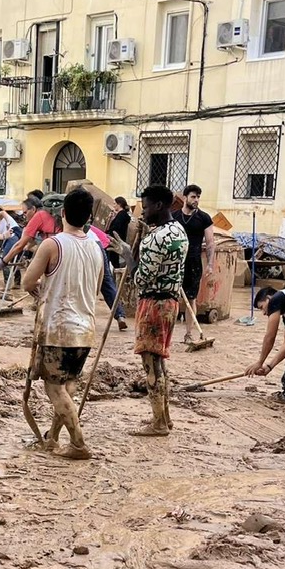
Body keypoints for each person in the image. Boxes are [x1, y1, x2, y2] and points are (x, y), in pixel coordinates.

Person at [22, 188, 103, 460]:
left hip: (58, 328)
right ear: (89, 216)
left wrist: (40, 292)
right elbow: (98, 287)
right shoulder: (96, 247)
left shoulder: (52, 244)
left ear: (63, 213)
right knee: (68, 385)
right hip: (86, 327)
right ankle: (53, 438)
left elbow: (27, 282)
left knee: (54, 388)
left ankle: (78, 443)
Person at [133, 185, 188, 436]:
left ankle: (158, 422)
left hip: (153, 304)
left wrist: (129, 256)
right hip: (171, 303)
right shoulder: (179, 231)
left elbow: (142, 279)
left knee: (151, 365)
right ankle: (164, 417)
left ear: (158, 206)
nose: (142, 212)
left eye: (144, 207)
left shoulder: (154, 239)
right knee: (160, 362)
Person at [172, 184, 215, 343]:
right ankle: (168, 333)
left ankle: (188, 334)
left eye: (198, 197)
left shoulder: (204, 218)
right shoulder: (174, 216)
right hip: (176, 262)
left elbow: (210, 242)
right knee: (172, 298)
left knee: (191, 299)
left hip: (194, 262)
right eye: (193, 197)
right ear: (185, 198)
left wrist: (210, 264)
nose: (196, 200)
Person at [89, 220, 128, 331]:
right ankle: (120, 316)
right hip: (99, 244)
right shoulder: (89, 226)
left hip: (87, 245)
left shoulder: (65, 225)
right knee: (107, 282)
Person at [107, 196, 131, 268]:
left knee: (113, 259)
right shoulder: (121, 215)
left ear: (119, 204)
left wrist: (109, 234)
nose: (113, 206)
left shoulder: (121, 215)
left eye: (114, 204)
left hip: (115, 240)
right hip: (116, 239)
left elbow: (115, 227)